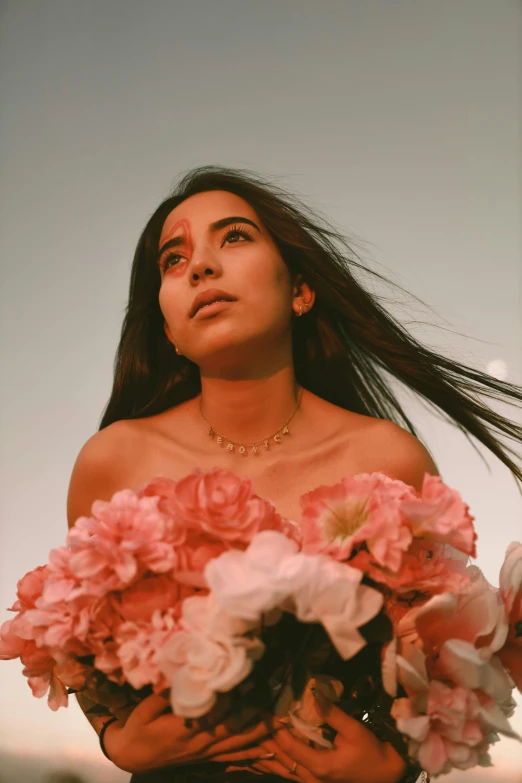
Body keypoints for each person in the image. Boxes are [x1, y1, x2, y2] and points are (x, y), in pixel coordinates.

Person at [66, 166, 522, 783]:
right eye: (173, 260)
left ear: (301, 291)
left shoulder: (390, 461)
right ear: (168, 329)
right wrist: (114, 739)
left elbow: (429, 656)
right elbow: (78, 643)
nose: (199, 266)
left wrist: (395, 762)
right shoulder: (113, 462)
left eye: (233, 238)